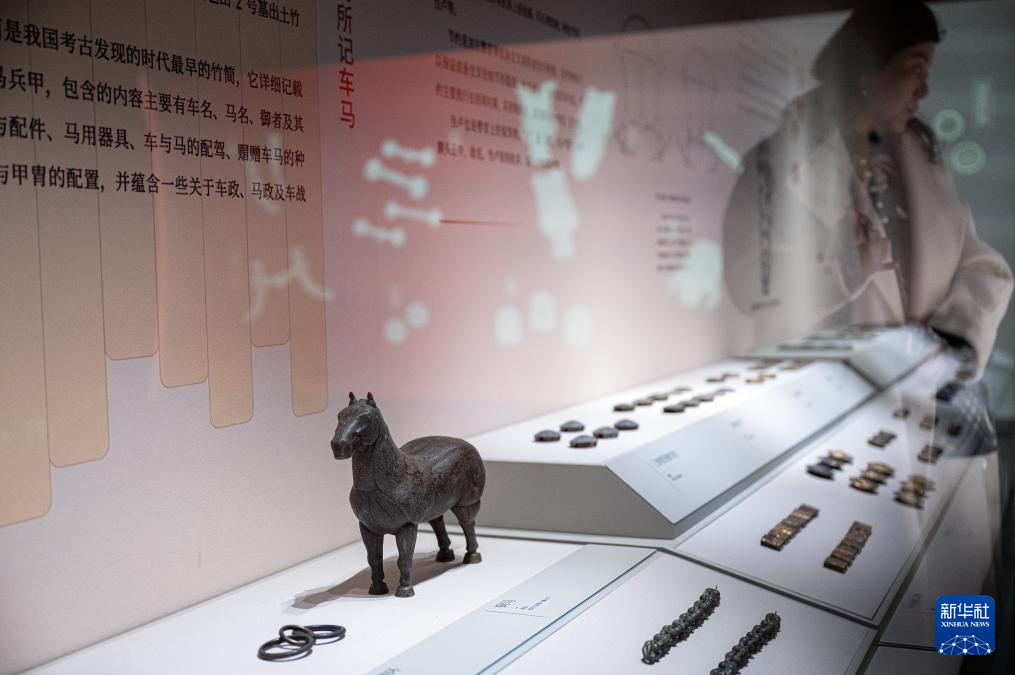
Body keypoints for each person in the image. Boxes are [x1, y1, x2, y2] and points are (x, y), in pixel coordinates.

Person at [722, 0, 1012, 374]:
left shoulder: (926, 166)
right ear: (867, 70)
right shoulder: (779, 161)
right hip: (823, 392)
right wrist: (843, 268)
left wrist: (954, 343)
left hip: (921, 396)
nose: (924, 90)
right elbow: (748, 281)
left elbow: (980, 263)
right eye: (916, 68)